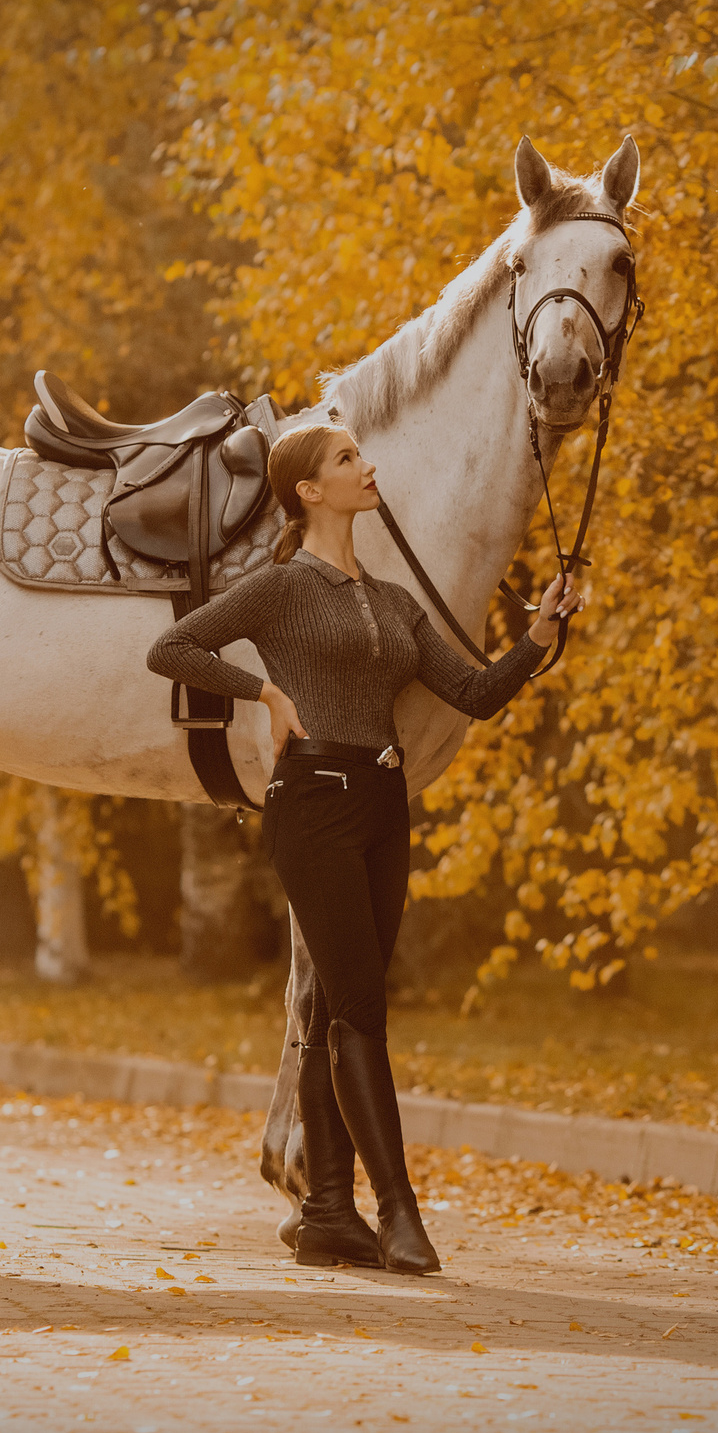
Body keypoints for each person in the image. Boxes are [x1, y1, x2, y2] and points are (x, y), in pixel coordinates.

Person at [145, 422, 583, 1274]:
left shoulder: (391, 601)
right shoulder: (277, 589)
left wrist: (539, 637)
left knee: (329, 1011)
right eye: (347, 459)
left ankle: (326, 1214)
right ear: (309, 491)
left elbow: (474, 693)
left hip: (385, 801)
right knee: (360, 1005)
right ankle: (400, 1213)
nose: (366, 466)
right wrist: (263, 689)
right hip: (312, 801)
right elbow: (171, 647)